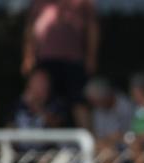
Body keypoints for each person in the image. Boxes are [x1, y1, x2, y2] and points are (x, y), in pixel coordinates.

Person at [22, 0, 99, 129]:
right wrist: (28, 55)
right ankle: (41, 140)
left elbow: (92, 28)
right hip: (45, 58)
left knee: (78, 100)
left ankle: (88, 139)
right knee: (43, 100)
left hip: (73, 59)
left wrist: (91, 57)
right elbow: (30, 27)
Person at [85, 76, 134, 150]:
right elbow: (99, 135)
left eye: (97, 101)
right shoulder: (98, 109)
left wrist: (113, 138)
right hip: (106, 147)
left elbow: (130, 135)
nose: (95, 104)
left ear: (106, 96)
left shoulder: (126, 105)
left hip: (126, 147)